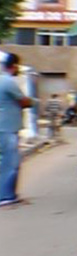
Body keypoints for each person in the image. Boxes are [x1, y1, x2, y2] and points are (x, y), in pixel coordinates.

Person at [0, 52, 33, 207]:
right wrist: (31, 101)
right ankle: (6, 196)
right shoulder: (8, 82)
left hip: (5, 127)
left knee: (5, 162)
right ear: (14, 66)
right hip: (7, 127)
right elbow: (24, 102)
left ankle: (8, 194)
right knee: (10, 162)